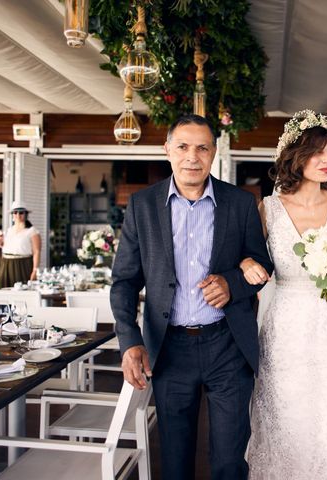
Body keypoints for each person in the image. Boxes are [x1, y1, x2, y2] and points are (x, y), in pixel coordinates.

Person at [110, 114, 273, 480]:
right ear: (167, 150)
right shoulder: (142, 205)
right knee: (176, 458)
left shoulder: (240, 203)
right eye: (182, 146)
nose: (192, 156)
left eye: (202, 147)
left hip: (228, 346)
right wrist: (129, 341)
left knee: (230, 461)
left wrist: (233, 283)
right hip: (169, 349)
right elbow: (123, 282)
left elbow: (262, 265)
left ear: (214, 152)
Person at [240, 110, 327, 478]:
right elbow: (250, 256)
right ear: (295, 156)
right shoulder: (269, 208)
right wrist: (245, 263)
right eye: (317, 152)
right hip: (284, 328)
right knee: (285, 417)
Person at [0, 201, 41, 288]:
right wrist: (0, 242)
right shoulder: (9, 230)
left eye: (21, 212)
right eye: (15, 212)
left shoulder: (32, 231)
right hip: (6, 265)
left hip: (23, 265)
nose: (18, 215)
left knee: (22, 294)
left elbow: (37, 252)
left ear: (26, 214)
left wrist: (35, 270)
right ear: (12, 215)